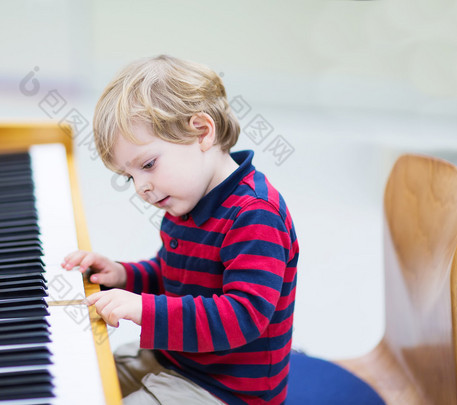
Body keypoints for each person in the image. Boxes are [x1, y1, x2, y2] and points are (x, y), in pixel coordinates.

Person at [61, 55, 299, 404]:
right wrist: (123, 275)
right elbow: (172, 274)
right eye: (129, 176)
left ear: (202, 132)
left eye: (148, 165)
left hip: (225, 389)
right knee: (80, 384)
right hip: (173, 360)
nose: (140, 187)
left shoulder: (255, 214)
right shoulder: (184, 199)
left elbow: (243, 316)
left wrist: (143, 308)